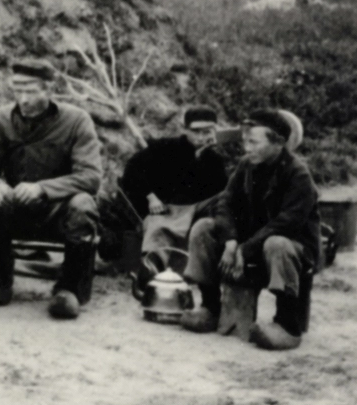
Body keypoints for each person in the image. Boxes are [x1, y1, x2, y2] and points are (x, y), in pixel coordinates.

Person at [0, 59, 104, 320]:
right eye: (17, 91)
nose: (22, 99)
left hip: (56, 213)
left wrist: (43, 189)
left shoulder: (76, 121)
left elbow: (91, 177)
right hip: (13, 210)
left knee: (83, 204)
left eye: (30, 91)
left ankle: (70, 290)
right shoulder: (2, 118)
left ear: (49, 90)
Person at [179, 109, 322, 350]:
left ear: (277, 143)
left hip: (294, 250)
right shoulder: (247, 165)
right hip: (249, 244)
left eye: (254, 142)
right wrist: (231, 241)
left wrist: (245, 249)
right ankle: (210, 307)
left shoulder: (298, 175)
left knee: (277, 243)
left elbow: (286, 224)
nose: (246, 148)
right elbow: (225, 202)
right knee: (203, 228)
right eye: (245, 141)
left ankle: (288, 326)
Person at [118, 107, 229, 265]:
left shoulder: (214, 159)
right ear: (186, 130)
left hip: (197, 209)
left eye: (207, 132)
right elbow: (132, 170)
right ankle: (152, 268)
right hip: (166, 208)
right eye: (196, 132)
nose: (201, 137)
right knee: (158, 228)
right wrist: (151, 197)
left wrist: (203, 157)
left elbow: (219, 189)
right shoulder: (165, 147)